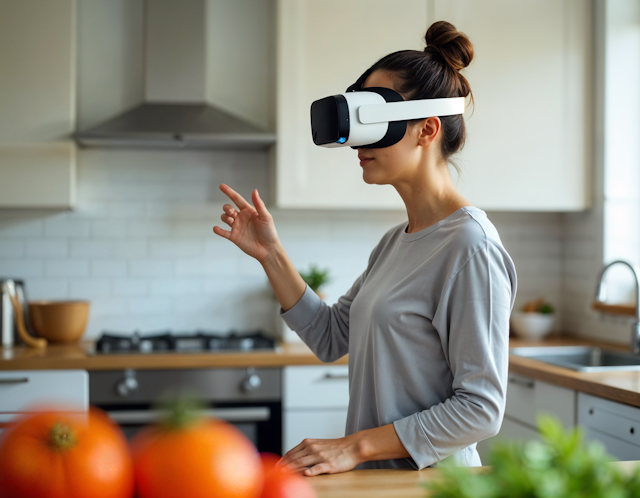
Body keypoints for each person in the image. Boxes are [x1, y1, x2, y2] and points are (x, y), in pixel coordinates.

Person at [213, 21, 517, 475]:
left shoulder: (470, 246)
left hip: (434, 485)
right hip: (379, 482)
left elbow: (481, 408)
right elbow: (331, 337)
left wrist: (353, 447)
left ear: (427, 129)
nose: (359, 141)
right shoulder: (396, 243)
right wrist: (271, 255)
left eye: (375, 118)